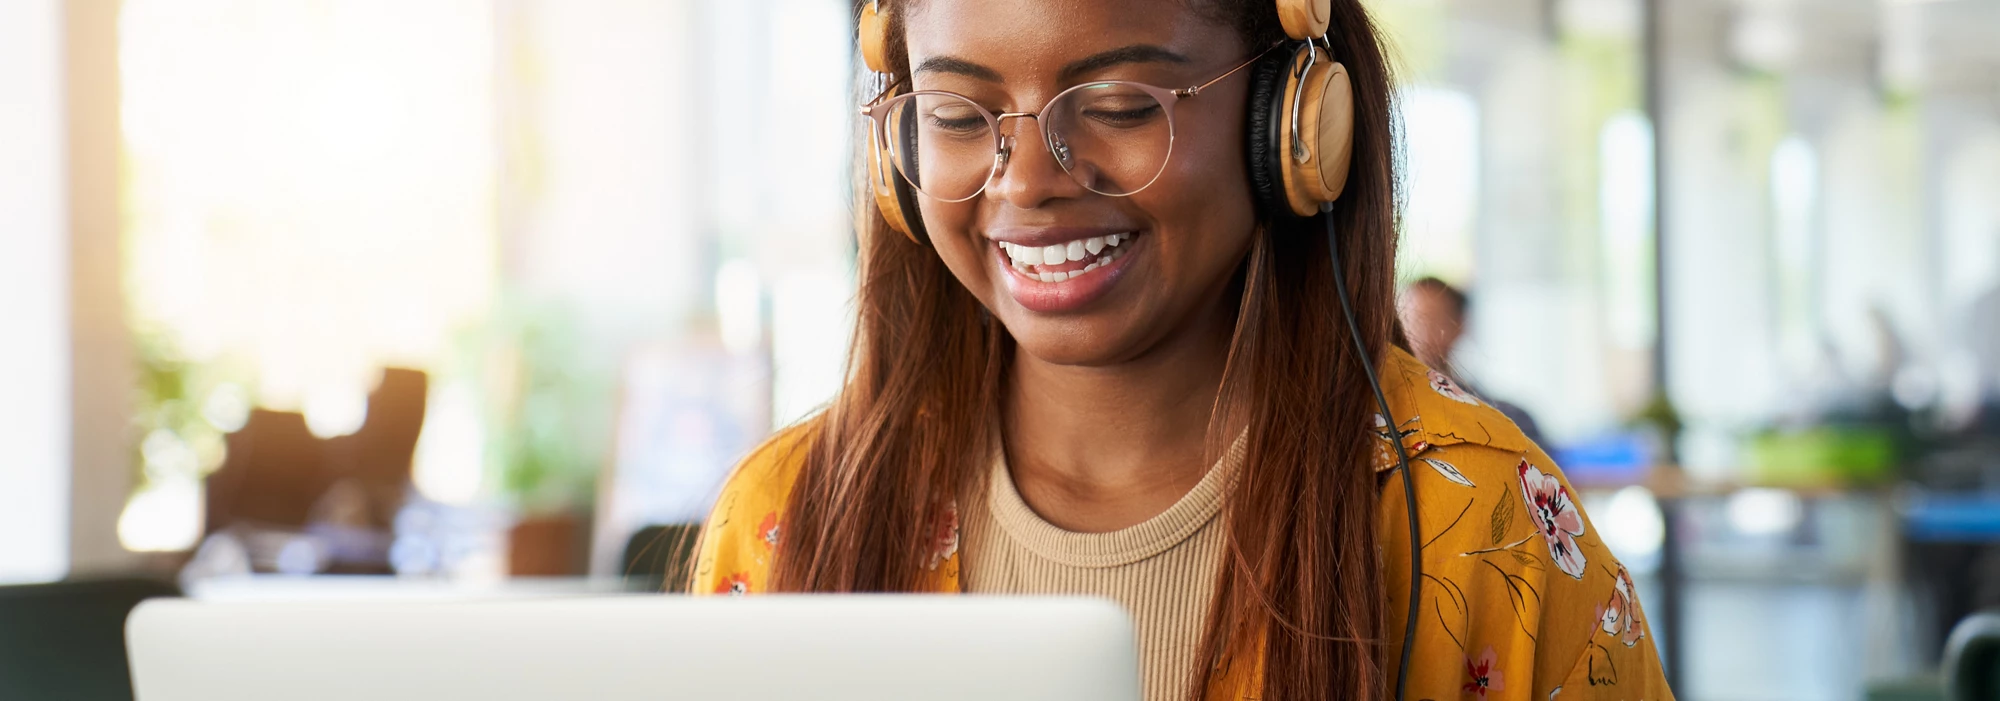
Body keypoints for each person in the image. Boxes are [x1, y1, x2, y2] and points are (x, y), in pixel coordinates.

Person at [694, 1, 1671, 699]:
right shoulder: (786, 515)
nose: (1026, 179)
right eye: (957, 115)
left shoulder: (1478, 521)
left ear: (1292, 121)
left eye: (1120, 105)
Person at [1400, 276, 1546, 446]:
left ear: (1460, 326)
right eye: (1407, 319)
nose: (1417, 333)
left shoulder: (1510, 420)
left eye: (1431, 320)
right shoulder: (1382, 411)